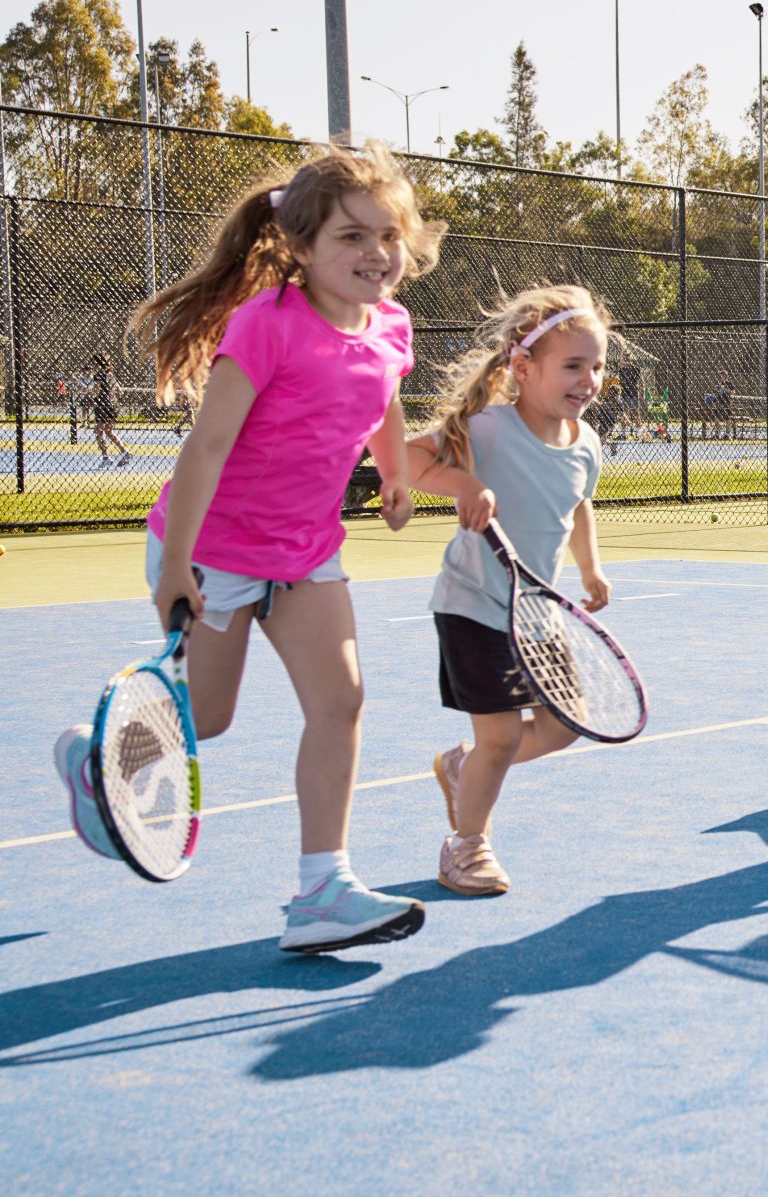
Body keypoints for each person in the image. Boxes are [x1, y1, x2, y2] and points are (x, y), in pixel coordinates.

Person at [53, 142, 442, 953]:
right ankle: (98, 761)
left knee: (341, 702)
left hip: (305, 553)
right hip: (213, 549)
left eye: (388, 236)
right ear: (299, 248)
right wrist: (181, 568)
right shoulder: (265, 326)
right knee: (210, 719)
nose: (375, 254)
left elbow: (383, 400)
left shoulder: (393, 326)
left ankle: (322, 892)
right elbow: (206, 447)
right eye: (350, 237)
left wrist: (396, 474)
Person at [406, 284, 615, 894]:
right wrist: (462, 486)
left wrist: (590, 569)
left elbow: (579, 508)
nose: (589, 379)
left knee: (563, 727)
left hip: (538, 614)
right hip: (473, 606)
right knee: (498, 737)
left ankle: (461, 770)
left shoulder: (587, 445)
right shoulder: (489, 429)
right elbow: (403, 454)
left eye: (597, 366)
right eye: (573, 366)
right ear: (523, 368)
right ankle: (466, 846)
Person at [89, 352, 133, 466]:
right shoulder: (110, 375)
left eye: (93, 362)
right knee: (108, 431)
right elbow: (119, 390)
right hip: (113, 406)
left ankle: (105, 457)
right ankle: (124, 452)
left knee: (98, 432)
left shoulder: (98, 375)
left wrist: (89, 392)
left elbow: (97, 391)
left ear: (97, 363)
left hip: (102, 406)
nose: (91, 365)